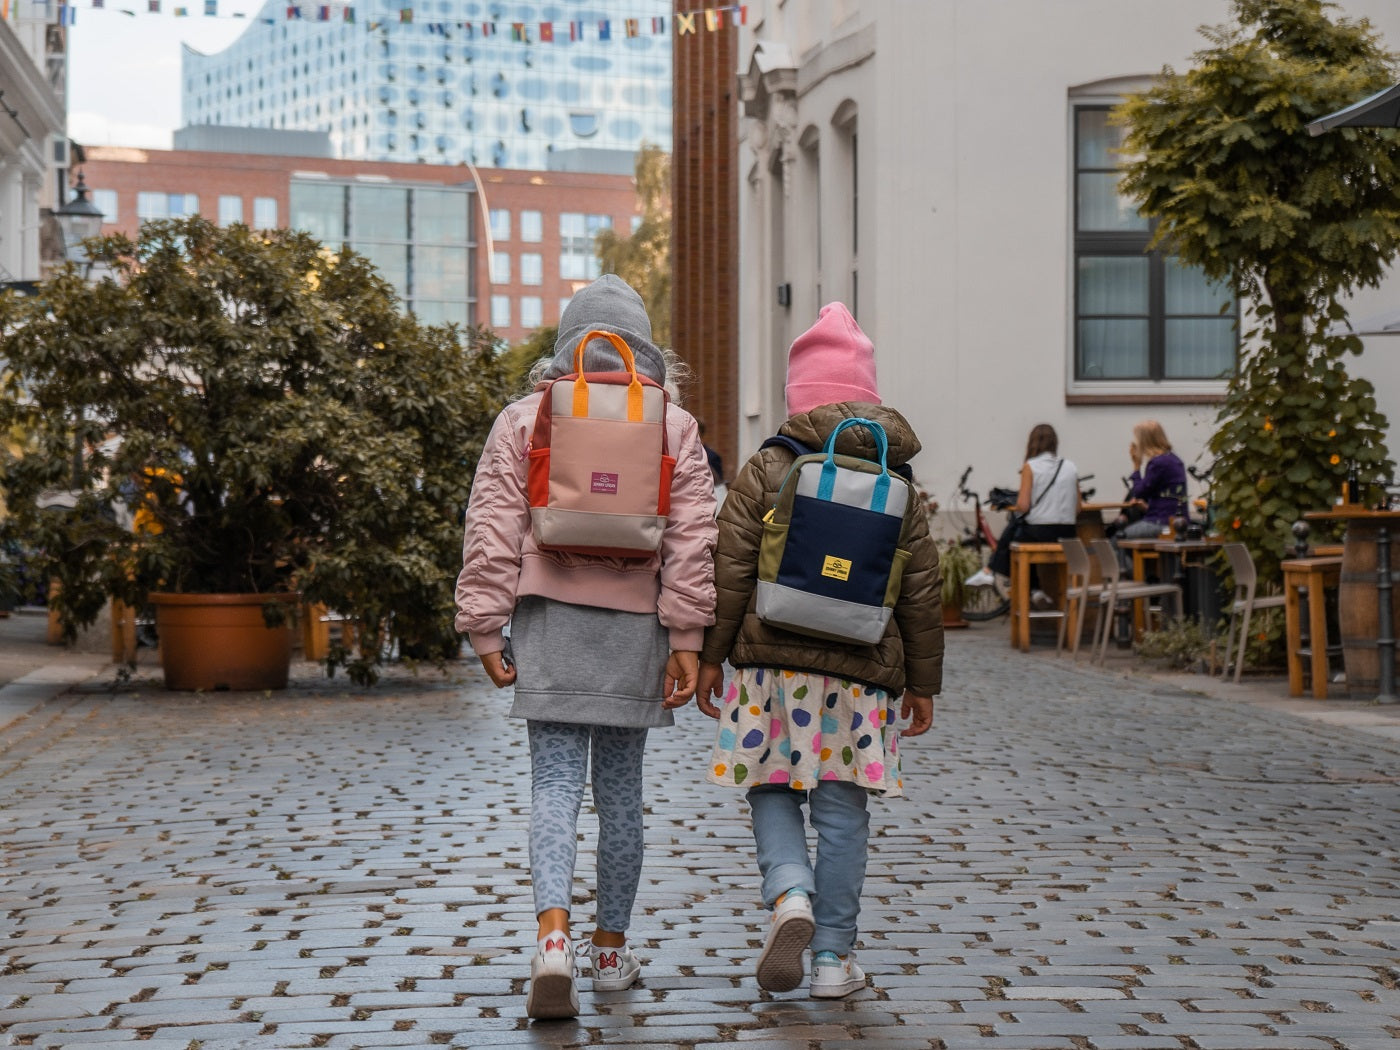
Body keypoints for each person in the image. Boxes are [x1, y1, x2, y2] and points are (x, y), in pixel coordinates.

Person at [454, 273, 718, 1020]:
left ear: (564, 348)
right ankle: (609, 952)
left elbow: (491, 527)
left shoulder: (525, 418)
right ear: (647, 350)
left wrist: (485, 626)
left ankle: (551, 942)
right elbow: (694, 539)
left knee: (554, 787)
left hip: (550, 622)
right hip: (638, 630)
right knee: (622, 794)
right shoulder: (673, 424)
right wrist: (687, 635)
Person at [693, 302, 942, 999]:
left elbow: (729, 566)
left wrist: (710, 656)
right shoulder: (899, 481)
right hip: (861, 674)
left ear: (797, 397)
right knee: (842, 810)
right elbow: (922, 590)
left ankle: (790, 893)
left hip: (770, 666)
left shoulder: (768, 466)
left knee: (771, 786)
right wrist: (923, 682)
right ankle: (833, 958)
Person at [966, 424, 1080, 606]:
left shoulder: (1031, 467)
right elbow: (1078, 507)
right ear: (1055, 443)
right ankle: (1032, 589)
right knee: (1019, 532)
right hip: (1068, 534)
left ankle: (992, 572)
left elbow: (1023, 506)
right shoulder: (1070, 466)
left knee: (1016, 531)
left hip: (1039, 533)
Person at [1112, 419, 1188, 539]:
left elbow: (1139, 492)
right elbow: (1168, 499)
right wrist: (1146, 507)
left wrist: (1136, 466)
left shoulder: (1157, 463)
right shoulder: (1175, 460)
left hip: (1161, 523)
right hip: (1178, 522)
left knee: (1117, 540)